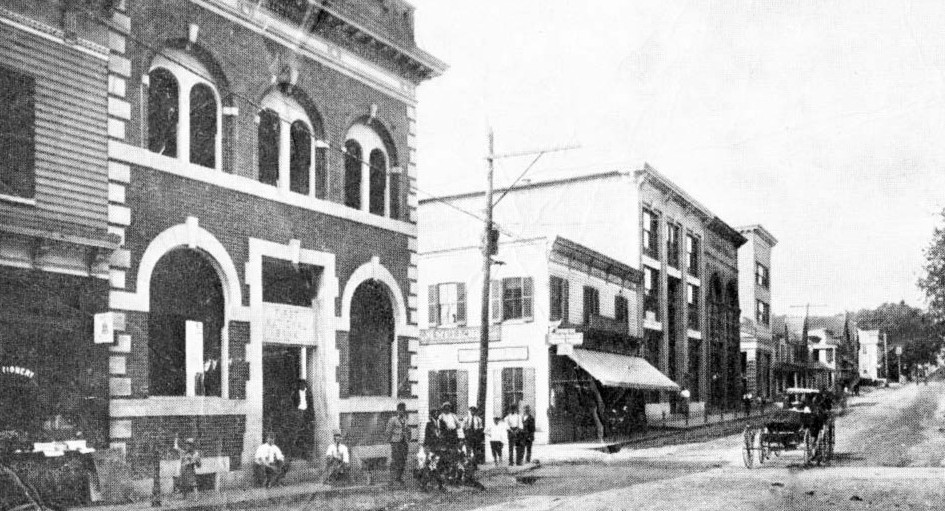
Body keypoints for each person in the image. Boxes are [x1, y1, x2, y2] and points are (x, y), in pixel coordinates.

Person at [385, 402, 411, 487]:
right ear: (397, 410)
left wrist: (408, 438)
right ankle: (391, 479)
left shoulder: (406, 419)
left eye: (403, 410)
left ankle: (399, 478)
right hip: (396, 442)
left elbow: (408, 430)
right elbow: (388, 431)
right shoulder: (393, 419)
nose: (402, 412)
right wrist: (389, 441)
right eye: (400, 410)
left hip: (404, 442)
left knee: (403, 460)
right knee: (395, 460)